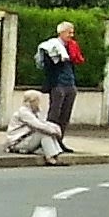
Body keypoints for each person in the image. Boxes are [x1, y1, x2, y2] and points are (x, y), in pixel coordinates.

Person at [36, 21, 79, 152]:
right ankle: (47, 142)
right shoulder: (52, 46)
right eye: (68, 32)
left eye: (72, 32)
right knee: (54, 114)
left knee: (65, 115)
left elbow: (74, 62)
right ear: (61, 32)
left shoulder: (72, 47)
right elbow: (47, 65)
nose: (71, 35)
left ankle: (59, 141)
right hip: (57, 84)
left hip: (69, 83)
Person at [5, 89, 64, 165]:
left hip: (26, 140)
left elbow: (43, 123)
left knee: (47, 131)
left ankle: (55, 155)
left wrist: (55, 127)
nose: (39, 103)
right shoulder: (23, 112)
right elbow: (38, 125)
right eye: (38, 101)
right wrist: (55, 131)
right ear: (32, 101)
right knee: (43, 133)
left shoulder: (34, 111)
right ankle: (50, 158)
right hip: (17, 143)